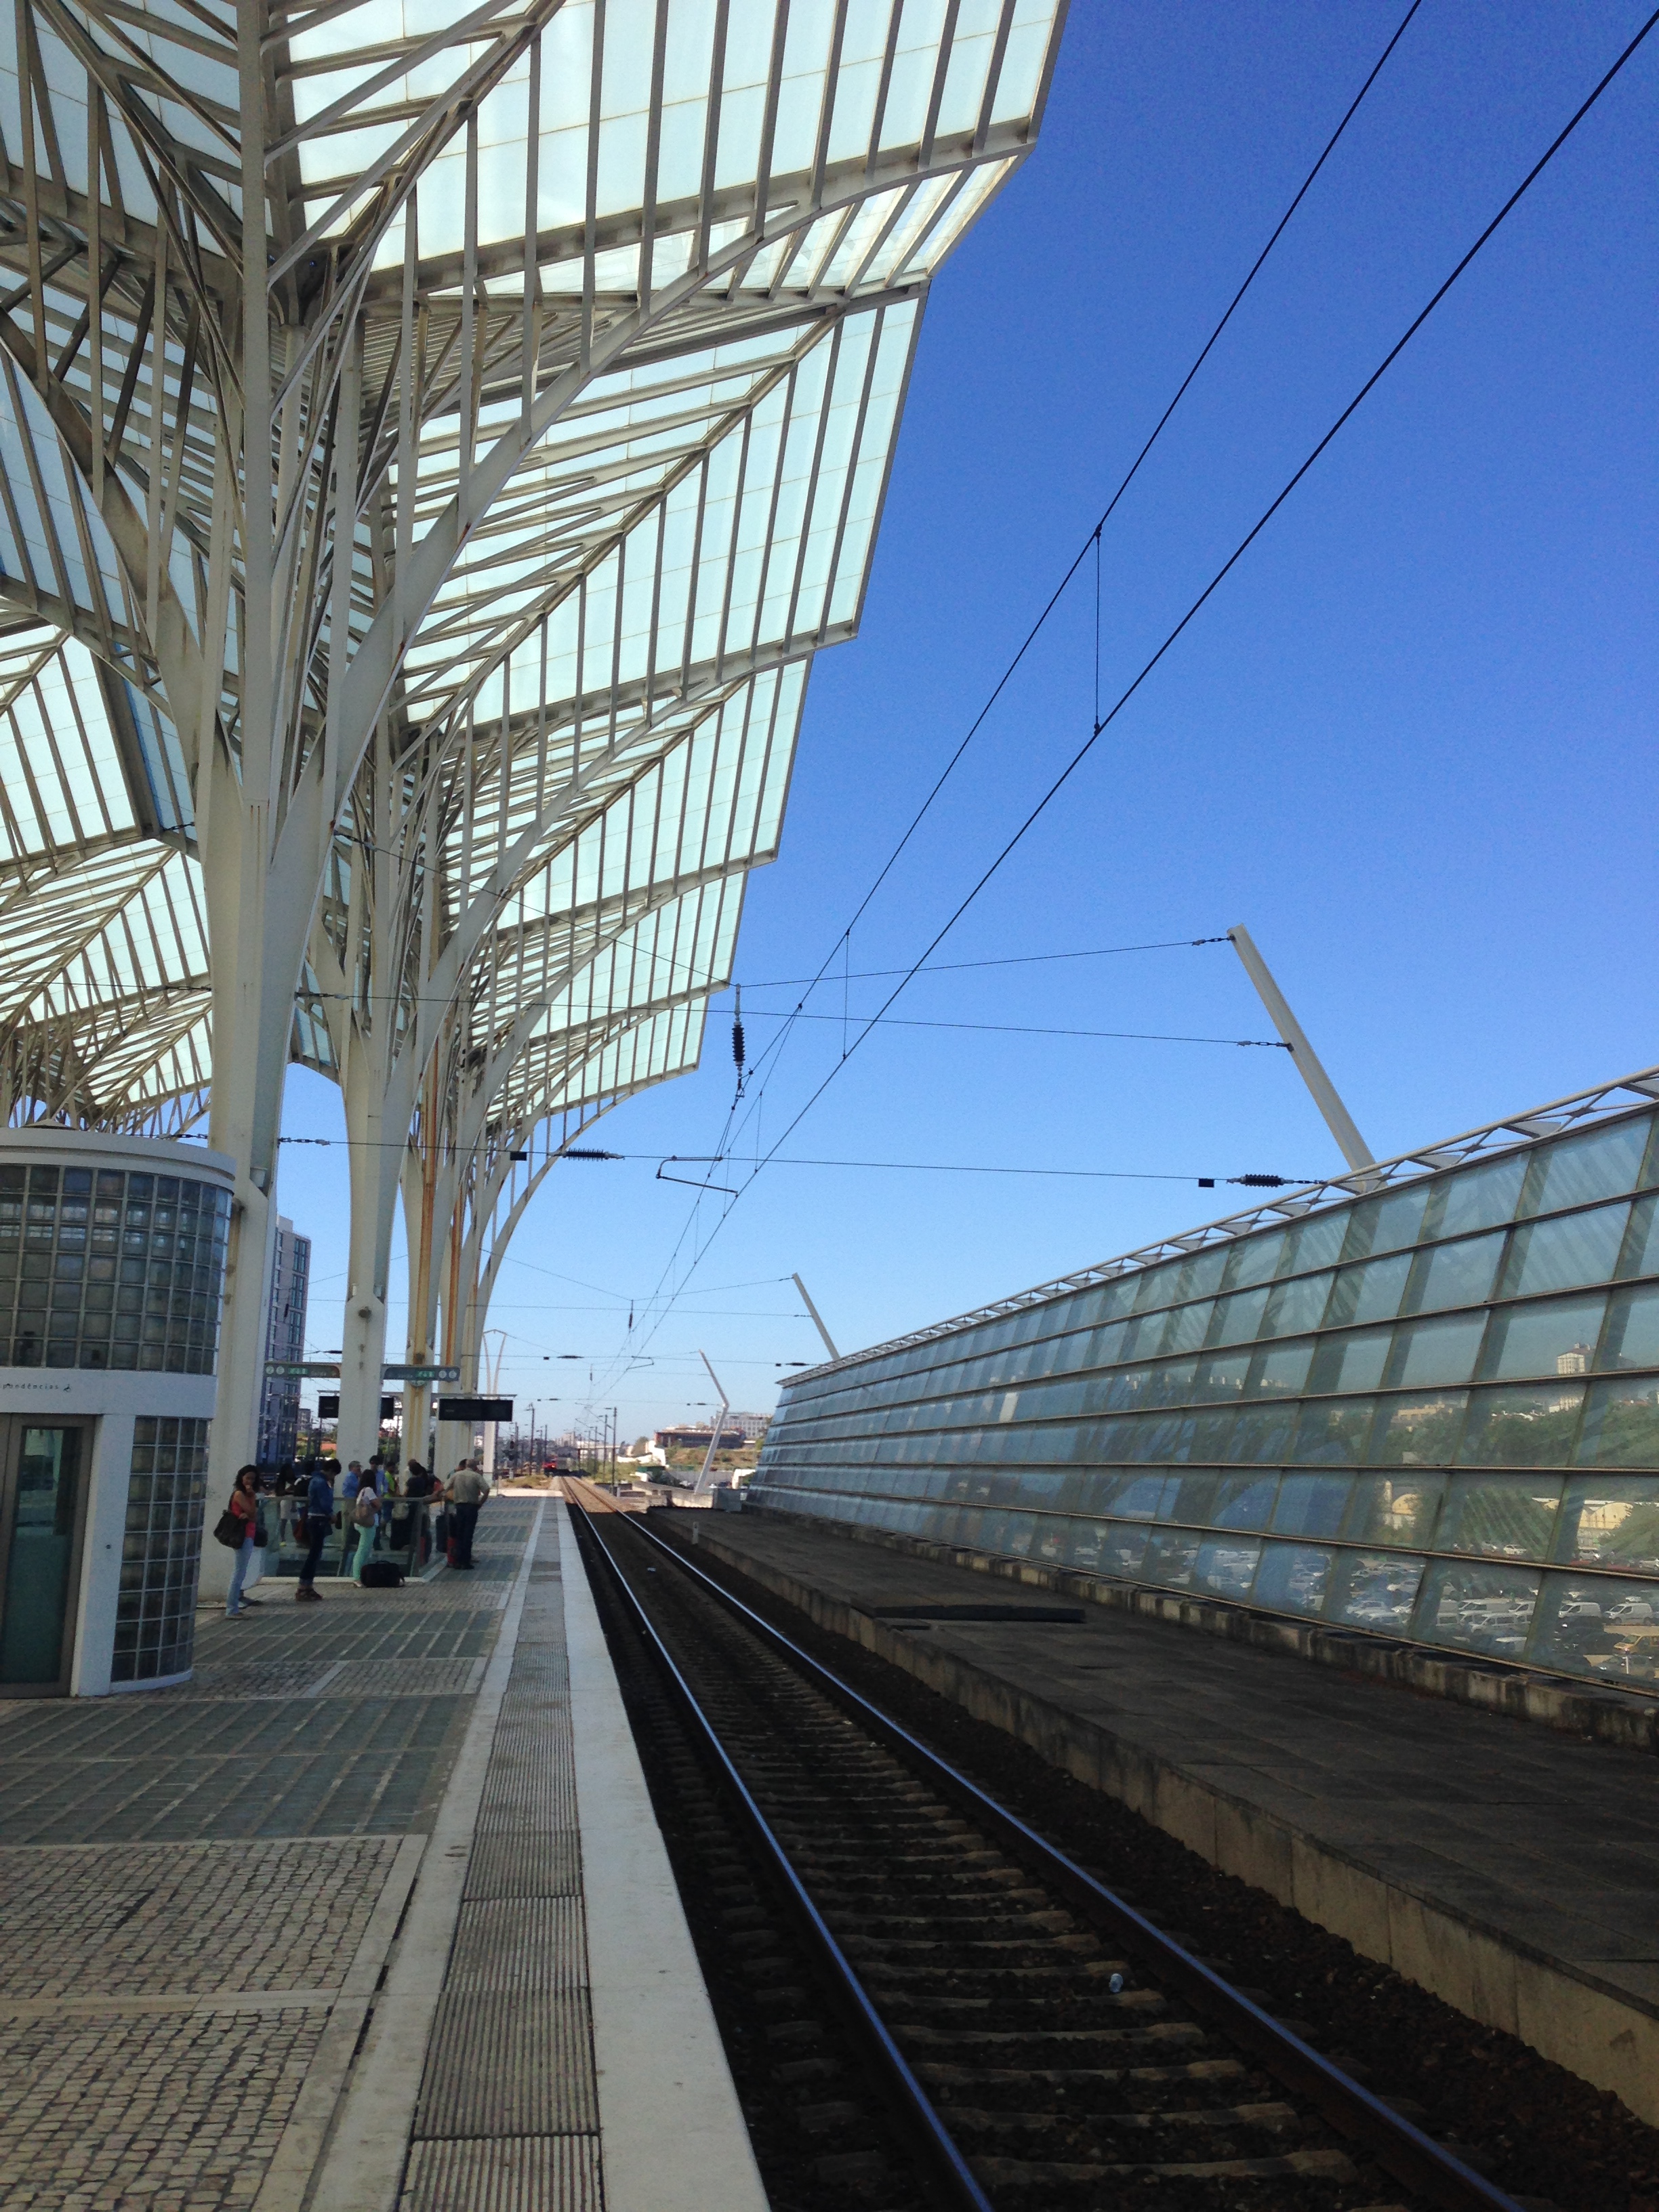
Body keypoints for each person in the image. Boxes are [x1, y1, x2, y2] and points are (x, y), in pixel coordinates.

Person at [225, 1466, 264, 1616]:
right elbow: (253, 1512)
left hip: (249, 1533)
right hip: (242, 1535)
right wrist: (252, 1498)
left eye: (253, 1479)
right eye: (247, 1478)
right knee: (239, 1572)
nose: (250, 1481)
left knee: (241, 1571)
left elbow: (253, 1516)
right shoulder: (240, 1494)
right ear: (241, 1478)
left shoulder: (247, 1495)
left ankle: (233, 1605)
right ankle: (231, 1608)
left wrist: (251, 1512)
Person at [295, 1458, 335, 1601]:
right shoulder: (321, 1482)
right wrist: (331, 1514)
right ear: (330, 1471)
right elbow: (325, 1502)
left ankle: (307, 1586)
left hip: (313, 1519)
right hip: (318, 1519)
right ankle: (304, 1586)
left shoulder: (315, 1480)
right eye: (334, 1474)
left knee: (314, 1554)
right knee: (314, 1555)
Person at [445, 1460, 490, 1568]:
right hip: (472, 1508)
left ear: (465, 1466)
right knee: (468, 1534)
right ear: (475, 1467)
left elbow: (445, 1487)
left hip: (459, 1507)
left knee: (459, 1533)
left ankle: (457, 1561)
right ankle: (465, 1561)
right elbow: (487, 1489)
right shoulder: (476, 1476)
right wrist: (481, 1502)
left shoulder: (456, 1475)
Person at [347, 1479, 380, 1584]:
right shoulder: (369, 1490)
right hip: (368, 1524)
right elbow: (379, 1505)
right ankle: (357, 1577)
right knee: (363, 1550)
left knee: (364, 1550)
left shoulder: (362, 1491)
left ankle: (360, 1575)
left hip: (361, 1523)